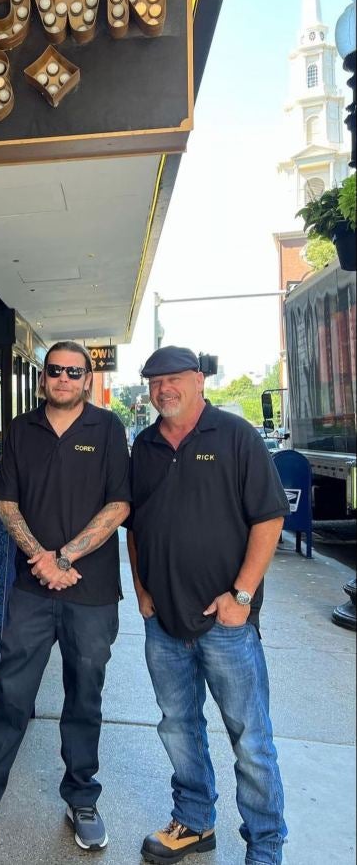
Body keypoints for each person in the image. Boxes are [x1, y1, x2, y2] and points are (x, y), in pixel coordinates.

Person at [0, 340, 131, 854]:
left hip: (91, 594)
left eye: (75, 371)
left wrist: (64, 557)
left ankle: (82, 798)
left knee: (85, 697)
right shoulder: (20, 431)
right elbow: (6, 503)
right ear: (43, 377)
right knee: (10, 694)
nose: (65, 378)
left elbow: (119, 505)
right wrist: (43, 561)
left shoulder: (108, 429)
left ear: (88, 379)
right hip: (31, 590)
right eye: (56, 371)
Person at [126, 346, 289, 865]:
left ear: (198, 380)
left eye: (173, 379)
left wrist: (240, 596)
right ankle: (195, 821)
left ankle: (265, 846)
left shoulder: (235, 437)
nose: (163, 389)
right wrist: (144, 592)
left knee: (250, 740)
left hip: (226, 625)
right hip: (164, 622)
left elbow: (268, 518)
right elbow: (135, 526)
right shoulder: (144, 446)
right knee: (178, 727)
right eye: (154, 381)